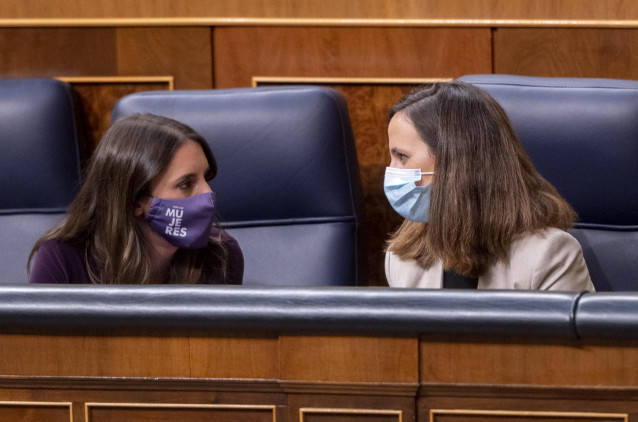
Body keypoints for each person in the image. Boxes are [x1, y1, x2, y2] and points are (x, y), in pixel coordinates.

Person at [384, 82, 594, 291]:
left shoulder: (548, 256)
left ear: (454, 164)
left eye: (402, 157)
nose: (392, 170)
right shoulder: (402, 257)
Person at [29, 113, 243, 285]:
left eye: (205, 177)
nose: (208, 194)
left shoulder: (221, 255)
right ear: (135, 201)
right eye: (185, 184)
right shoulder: (62, 258)